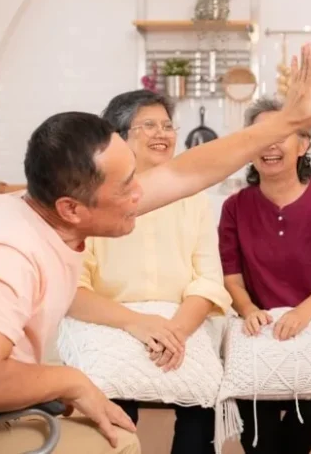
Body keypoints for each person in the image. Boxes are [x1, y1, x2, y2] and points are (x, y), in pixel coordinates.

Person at [0, 44, 311, 453]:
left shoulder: (45, 212)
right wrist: (72, 381)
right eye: (126, 187)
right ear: (74, 207)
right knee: (119, 440)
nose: (141, 194)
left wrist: (283, 122)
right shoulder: (7, 254)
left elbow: (187, 173)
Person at [68, 89, 232, 454]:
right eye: (149, 126)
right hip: (112, 322)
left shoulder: (193, 197)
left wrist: (175, 331)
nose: (163, 134)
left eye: (168, 125)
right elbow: (73, 290)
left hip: (179, 323)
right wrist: (136, 324)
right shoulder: (90, 199)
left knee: (203, 403)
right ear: (118, 138)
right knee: (112, 406)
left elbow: (208, 280)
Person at [218, 97, 311, 454]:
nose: (271, 144)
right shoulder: (235, 207)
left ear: (304, 145)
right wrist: (248, 309)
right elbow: (232, 276)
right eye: (262, 134)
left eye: (283, 134)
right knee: (258, 434)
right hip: (261, 335)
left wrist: (303, 313)